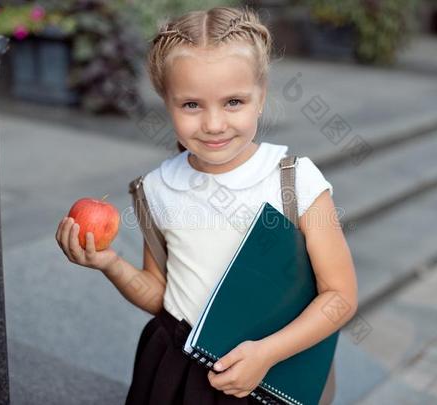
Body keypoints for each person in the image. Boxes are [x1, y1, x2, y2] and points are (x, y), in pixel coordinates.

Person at [55, 5, 357, 405]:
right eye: (192, 105)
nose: (214, 124)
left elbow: (340, 296)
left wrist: (266, 354)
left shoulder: (294, 181)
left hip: (267, 371)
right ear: (167, 103)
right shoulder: (158, 188)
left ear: (261, 97)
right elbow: (160, 296)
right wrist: (111, 264)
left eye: (234, 102)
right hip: (176, 370)